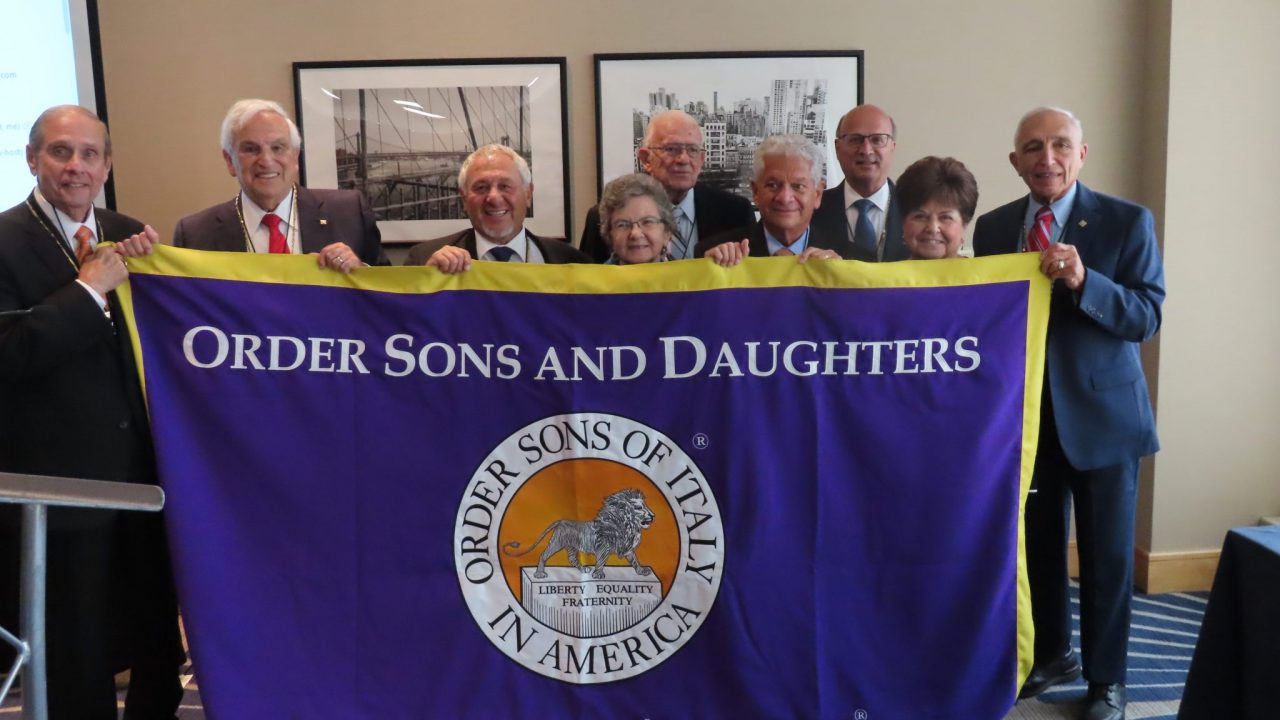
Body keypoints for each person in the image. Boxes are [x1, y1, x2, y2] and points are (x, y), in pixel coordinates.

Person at [973, 107, 1164, 720]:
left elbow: (1147, 314)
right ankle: (1052, 653)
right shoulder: (995, 227)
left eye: (1060, 145)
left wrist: (1086, 281)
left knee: (1107, 558)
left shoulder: (1127, 220)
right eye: (1032, 146)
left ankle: (1108, 680)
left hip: (1105, 421)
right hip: (1024, 420)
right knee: (1036, 548)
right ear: (1015, 161)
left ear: (1082, 154)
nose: (1046, 157)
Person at [0, 105, 185, 719]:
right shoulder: (1, 240)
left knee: (155, 639)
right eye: (60, 152)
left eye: (88, 154)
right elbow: (7, 358)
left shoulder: (129, 230)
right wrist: (87, 291)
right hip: (60, 487)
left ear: (106, 165)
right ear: (32, 159)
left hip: (143, 479)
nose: (75, 167)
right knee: (77, 652)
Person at [173, 98, 388, 270]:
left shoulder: (350, 212)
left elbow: (389, 296)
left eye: (278, 148)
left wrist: (360, 270)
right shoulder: (195, 234)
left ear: (295, 157)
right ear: (230, 161)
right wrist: (141, 265)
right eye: (250, 149)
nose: (266, 161)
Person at [578, 110, 754, 262]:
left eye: (692, 150)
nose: (683, 159)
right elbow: (589, 288)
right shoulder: (605, 217)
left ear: (701, 160)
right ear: (646, 159)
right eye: (671, 149)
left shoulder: (736, 212)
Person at [405, 144, 588, 271]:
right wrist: (426, 285)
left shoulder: (574, 262)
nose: (493, 197)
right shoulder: (422, 259)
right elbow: (403, 324)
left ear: (528, 194)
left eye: (505, 186)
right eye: (481, 187)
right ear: (464, 198)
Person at [698, 134, 843, 266]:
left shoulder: (850, 259)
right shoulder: (713, 254)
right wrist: (707, 270)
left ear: (817, 195)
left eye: (798, 186)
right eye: (773, 185)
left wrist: (841, 283)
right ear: (755, 192)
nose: (785, 198)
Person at [810, 104, 908, 261]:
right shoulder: (812, 211)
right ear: (837, 148)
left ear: (892, 147)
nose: (866, 150)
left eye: (877, 139)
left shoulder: (916, 210)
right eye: (855, 140)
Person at [894, 156, 979, 260]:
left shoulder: (985, 276)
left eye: (946, 217)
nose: (933, 228)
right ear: (903, 223)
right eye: (920, 217)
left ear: (964, 226)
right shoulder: (887, 276)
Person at [597, 173, 677, 265]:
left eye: (647, 222)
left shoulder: (687, 278)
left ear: (666, 232)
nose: (635, 233)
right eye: (623, 225)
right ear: (609, 235)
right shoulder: (593, 279)